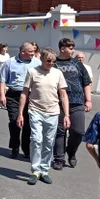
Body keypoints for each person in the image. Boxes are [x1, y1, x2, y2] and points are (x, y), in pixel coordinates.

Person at [18, 48, 69, 185]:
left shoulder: (58, 73)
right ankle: (35, 170)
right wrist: (20, 114)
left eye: (53, 61)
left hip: (53, 112)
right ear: (41, 59)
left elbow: (63, 95)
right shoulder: (33, 72)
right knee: (36, 139)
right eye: (48, 60)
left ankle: (44, 170)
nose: (51, 63)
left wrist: (67, 115)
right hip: (35, 111)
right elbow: (24, 93)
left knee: (48, 142)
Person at [53, 38, 92, 170]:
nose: (73, 50)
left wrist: (88, 100)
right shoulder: (54, 63)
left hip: (77, 102)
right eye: (70, 48)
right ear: (62, 49)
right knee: (60, 131)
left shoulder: (77, 64)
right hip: (58, 103)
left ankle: (71, 151)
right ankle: (59, 158)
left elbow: (86, 82)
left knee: (79, 131)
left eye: (73, 47)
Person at [0, 42, 40, 159]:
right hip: (14, 95)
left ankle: (26, 148)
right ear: (23, 52)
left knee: (28, 123)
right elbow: (2, 80)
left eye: (34, 52)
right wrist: (2, 95)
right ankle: (15, 146)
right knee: (14, 121)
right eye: (31, 52)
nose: (33, 54)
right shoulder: (10, 62)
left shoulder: (37, 62)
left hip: (31, 96)